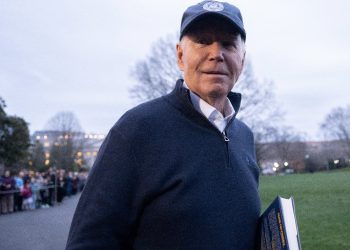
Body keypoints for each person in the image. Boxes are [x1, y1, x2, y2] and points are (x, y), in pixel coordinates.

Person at [66, 1, 260, 249]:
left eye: (228, 44)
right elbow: (89, 242)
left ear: (241, 60)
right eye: (202, 41)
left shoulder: (244, 136)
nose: (216, 53)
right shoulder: (136, 130)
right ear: (180, 55)